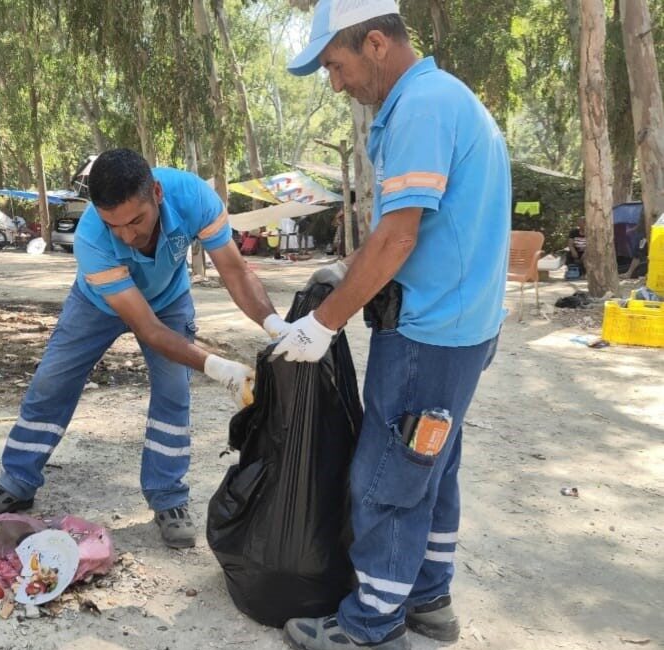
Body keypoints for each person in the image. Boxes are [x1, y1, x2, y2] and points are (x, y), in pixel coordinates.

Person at [273, 2, 510, 648]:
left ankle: (371, 626)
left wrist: (322, 324)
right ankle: (428, 601)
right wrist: (343, 274)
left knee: (387, 479)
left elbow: (399, 239)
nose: (336, 83)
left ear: (375, 43)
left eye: (337, 65)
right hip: (466, 330)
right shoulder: (445, 98)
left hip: (428, 334)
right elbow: (414, 231)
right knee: (432, 464)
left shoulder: (421, 109)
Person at [0, 148, 288, 549]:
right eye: (114, 225)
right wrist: (220, 368)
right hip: (96, 304)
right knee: (51, 384)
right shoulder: (91, 240)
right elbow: (147, 330)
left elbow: (236, 273)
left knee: (173, 394)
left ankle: (168, 497)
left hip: (169, 300)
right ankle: (16, 481)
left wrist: (276, 327)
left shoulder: (193, 197)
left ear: (156, 192)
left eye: (136, 220)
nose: (128, 236)